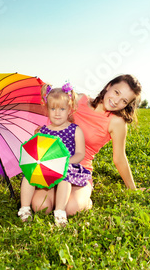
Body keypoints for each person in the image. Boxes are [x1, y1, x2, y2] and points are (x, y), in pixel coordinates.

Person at [31, 74, 142, 217]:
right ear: (108, 86)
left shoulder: (117, 122)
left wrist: (132, 188)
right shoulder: (79, 100)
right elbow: (54, 108)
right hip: (55, 164)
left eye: (124, 100)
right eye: (116, 92)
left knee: (70, 209)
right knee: (41, 207)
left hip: (80, 169)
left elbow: (119, 158)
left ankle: (85, 200)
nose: (116, 101)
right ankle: (56, 191)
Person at [18, 82, 91, 227]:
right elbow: (37, 152)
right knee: (29, 175)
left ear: (70, 109)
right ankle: (24, 208)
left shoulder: (75, 130)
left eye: (62, 109)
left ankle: (60, 212)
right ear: (47, 109)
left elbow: (80, 154)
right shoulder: (43, 130)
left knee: (64, 176)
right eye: (53, 109)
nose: (57, 113)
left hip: (66, 166)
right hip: (47, 167)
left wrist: (66, 162)